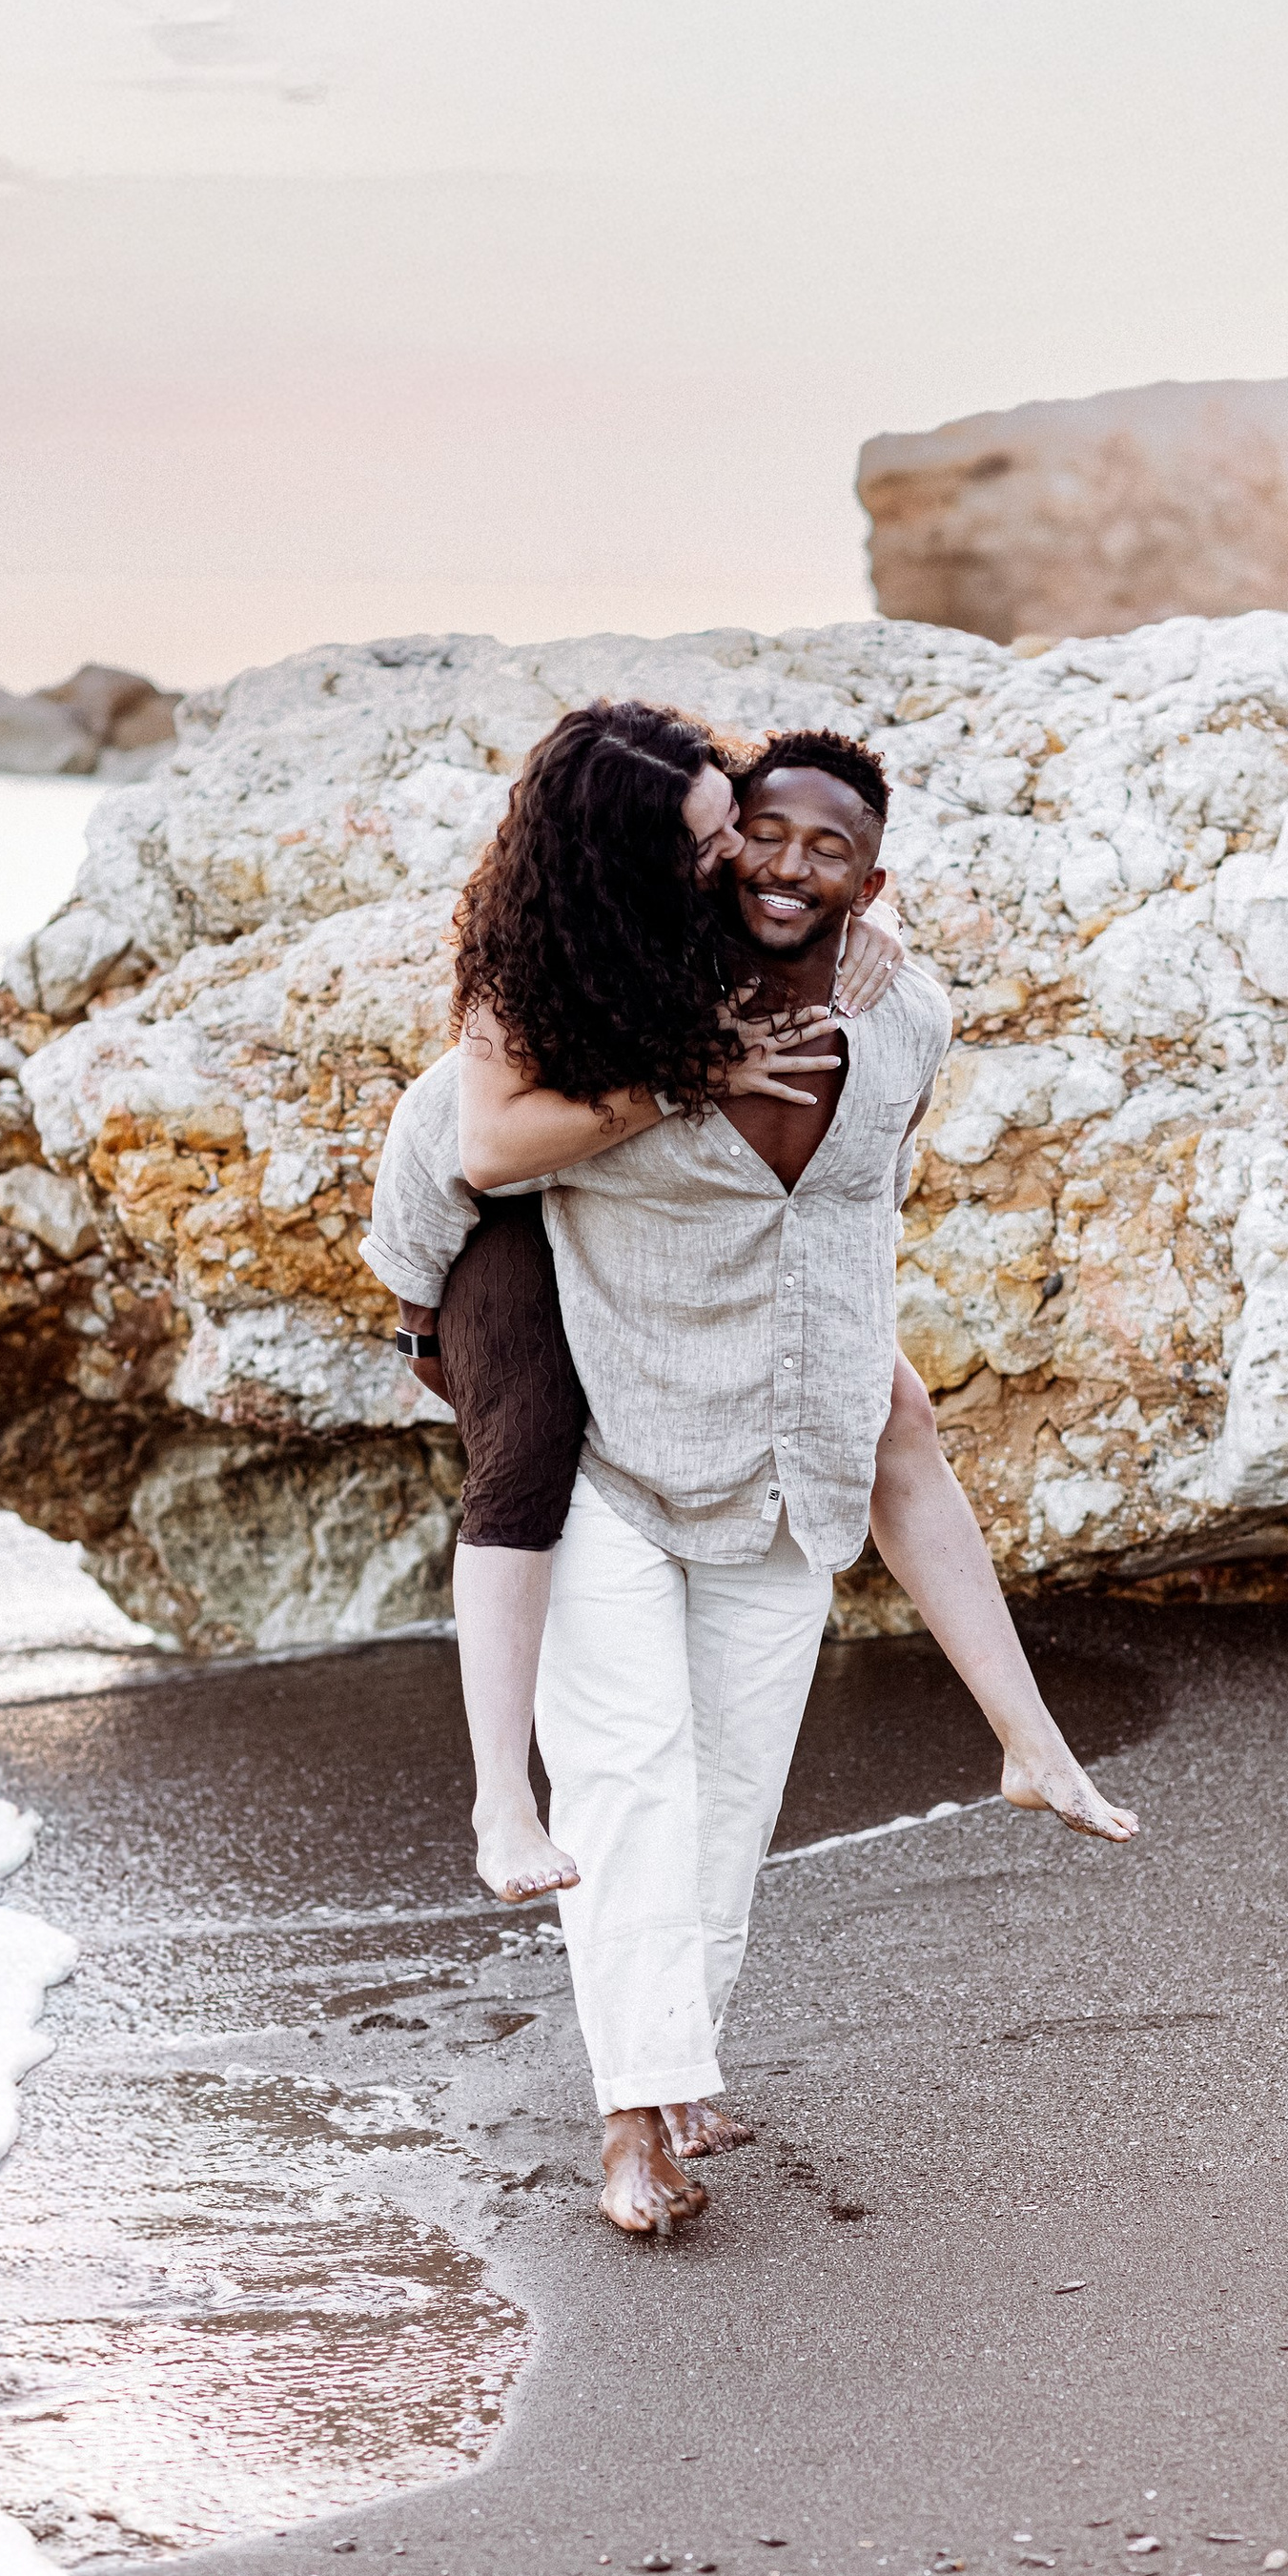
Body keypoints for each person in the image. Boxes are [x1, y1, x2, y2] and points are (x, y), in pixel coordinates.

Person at [370, 723, 1137, 2238]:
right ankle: (631, 2126)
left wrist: (873, 944)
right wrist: (419, 1307)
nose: (757, 865)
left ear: (871, 874)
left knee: (727, 1802)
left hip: (783, 1464)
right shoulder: (607, 1000)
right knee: (634, 1781)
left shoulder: (902, 1012)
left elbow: (858, 1219)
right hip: (618, 1443)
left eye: (806, 848)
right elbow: (447, 1142)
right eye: (734, 839)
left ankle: (674, 2054)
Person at [361, 697, 907, 1906]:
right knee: (531, 1452)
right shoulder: (537, 948)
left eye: (729, 828)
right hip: (474, 1207)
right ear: (629, 860)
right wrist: (691, 1080)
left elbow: (815, 874)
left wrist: (879, 929)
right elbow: (489, 1150)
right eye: (708, 844)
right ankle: (503, 1799)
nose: (734, 861)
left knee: (888, 1397)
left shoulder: (715, 891)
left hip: (608, 1191)